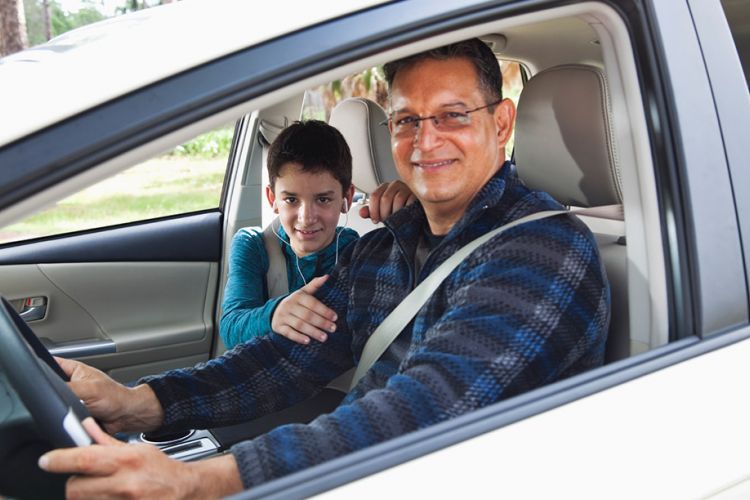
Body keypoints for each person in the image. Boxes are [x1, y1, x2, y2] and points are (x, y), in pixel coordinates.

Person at [40, 38, 610, 498]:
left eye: (452, 116)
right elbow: (290, 355)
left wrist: (207, 480)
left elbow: (430, 405)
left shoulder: (546, 251)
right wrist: (142, 401)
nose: (423, 141)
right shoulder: (382, 249)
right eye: (406, 120)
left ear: (502, 123)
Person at [220, 120, 415, 347]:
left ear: (346, 197)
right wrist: (275, 314)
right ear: (273, 199)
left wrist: (413, 218)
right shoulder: (253, 245)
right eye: (291, 200)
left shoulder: (355, 251)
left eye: (323, 199)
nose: (306, 217)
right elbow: (231, 326)